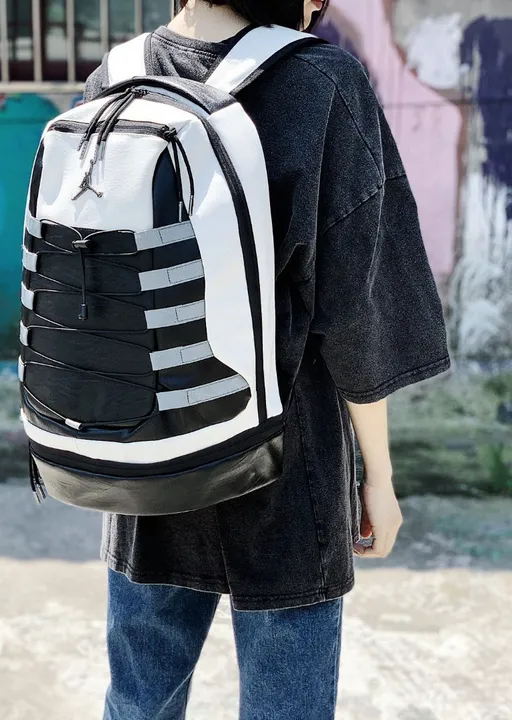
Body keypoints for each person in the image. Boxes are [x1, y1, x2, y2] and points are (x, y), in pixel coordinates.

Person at [82, 1, 451, 717]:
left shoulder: (119, 76)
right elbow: (357, 310)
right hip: (285, 456)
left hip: (148, 449)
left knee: (139, 698)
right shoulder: (321, 81)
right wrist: (378, 476)